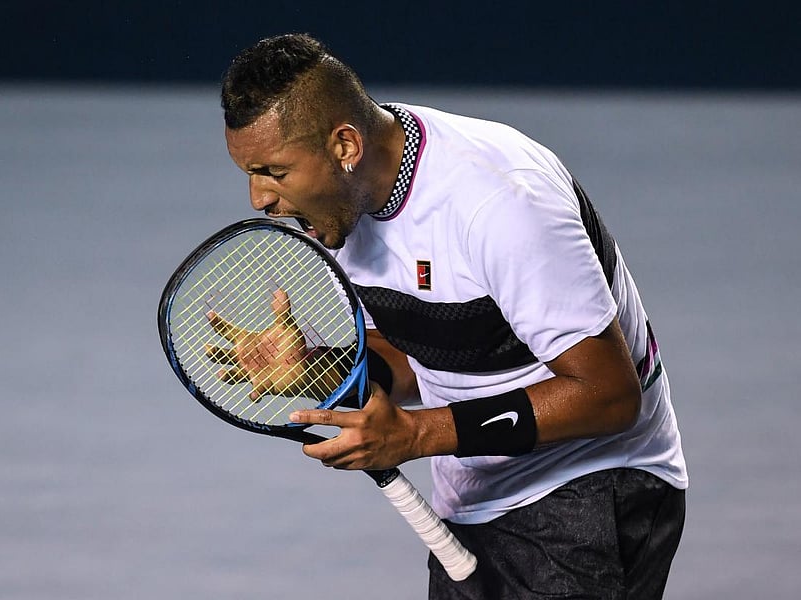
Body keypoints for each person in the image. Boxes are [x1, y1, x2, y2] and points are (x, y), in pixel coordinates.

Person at [217, 33, 688, 599]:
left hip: (592, 488)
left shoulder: (501, 204)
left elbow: (609, 395)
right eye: (249, 173)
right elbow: (429, 357)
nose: (259, 198)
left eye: (273, 171)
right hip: (474, 497)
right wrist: (321, 368)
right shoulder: (343, 206)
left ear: (345, 145)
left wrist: (418, 434)